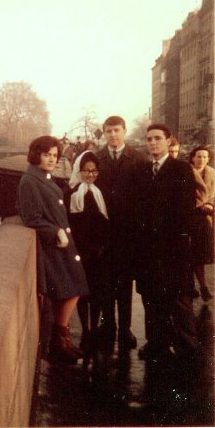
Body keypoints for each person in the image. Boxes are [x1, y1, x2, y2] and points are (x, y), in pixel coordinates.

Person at [17, 135, 89, 362]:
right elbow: (31, 217)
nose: (51, 159)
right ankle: (60, 341)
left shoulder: (42, 177)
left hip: (61, 245)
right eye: (46, 154)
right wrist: (55, 231)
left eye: (54, 155)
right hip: (52, 247)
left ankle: (62, 338)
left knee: (72, 289)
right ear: (36, 154)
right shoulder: (30, 180)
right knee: (71, 288)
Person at [136, 124, 198, 363]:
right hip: (148, 249)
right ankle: (157, 343)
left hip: (172, 248)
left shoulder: (180, 169)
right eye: (149, 139)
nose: (152, 143)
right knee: (151, 298)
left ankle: (187, 346)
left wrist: (179, 242)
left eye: (157, 139)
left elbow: (185, 211)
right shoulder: (142, 170)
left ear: (168, 141)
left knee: (178, 298)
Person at [95, 115, 148, 350]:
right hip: (104, 234)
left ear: (124, 131)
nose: (113, 135)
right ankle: (109, 327)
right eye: (108, 131)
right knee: (105, 284)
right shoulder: (95, 159)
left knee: (125, 285)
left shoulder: (138, 159)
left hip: (129, 235)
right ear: (103, 133)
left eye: (116, 130)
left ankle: (125, 330)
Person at [64, 150, 109, 353]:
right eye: (86, 171)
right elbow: (68, 224)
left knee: (98, 293)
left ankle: (93, 327)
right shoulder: (70, 195)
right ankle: (86, 331)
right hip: (80, 252)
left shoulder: (101, 193)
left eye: (94, 171)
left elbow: (107, 224)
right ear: (79, 171)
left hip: (99, 253)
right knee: (83, 293)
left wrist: (102, 246)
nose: (90, 175)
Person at [188, 145, 214, 302]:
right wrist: (199, 205)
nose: (201, 160)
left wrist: (210, 204)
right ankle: (200, 286)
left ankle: (196, 286)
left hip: (206, 218)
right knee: (191, 254)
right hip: (191, 216)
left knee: (200, 255)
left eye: (205, 157)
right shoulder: (187, 172)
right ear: (192, 158)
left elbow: (214, 194)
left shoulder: (213, 173)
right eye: (198, 156)